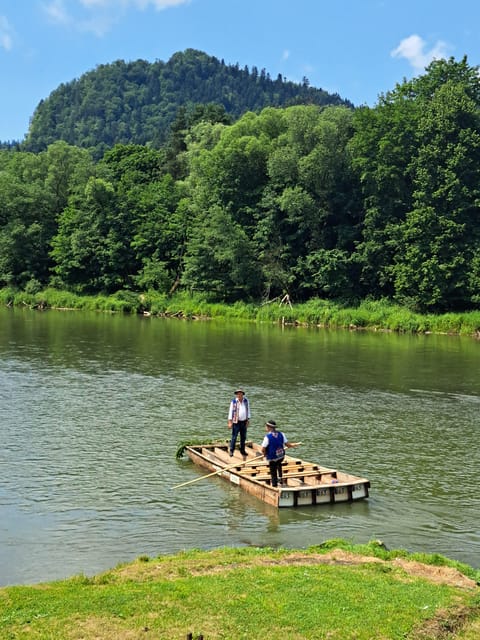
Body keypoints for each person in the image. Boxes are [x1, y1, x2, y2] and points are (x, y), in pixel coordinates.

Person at [261, 419, 296, 487]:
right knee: (278, 462)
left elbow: (263, 449)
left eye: (266, 426)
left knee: (273, 472)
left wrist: (265, 454)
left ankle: (274, 485)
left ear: (269, 427)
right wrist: (292, 445)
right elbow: (287, 444)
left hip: (272, 458)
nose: (265, 427)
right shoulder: (281, 434)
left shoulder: (267, 437)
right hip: (281, 456)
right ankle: (280, 477)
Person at [227, 388, 250, 457]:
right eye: (238, 393)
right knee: (234, 436)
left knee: (243, 437)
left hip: (244, 422)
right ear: (236, 395)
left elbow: (248, 410)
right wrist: (230, 422)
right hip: (236, 422)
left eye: (240, 393)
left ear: (243, 394)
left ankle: (242, 450)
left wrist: (248, 420)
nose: (239, 395)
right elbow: (230, 412)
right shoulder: (233, 402)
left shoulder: (246, 401)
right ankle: (231, 450)